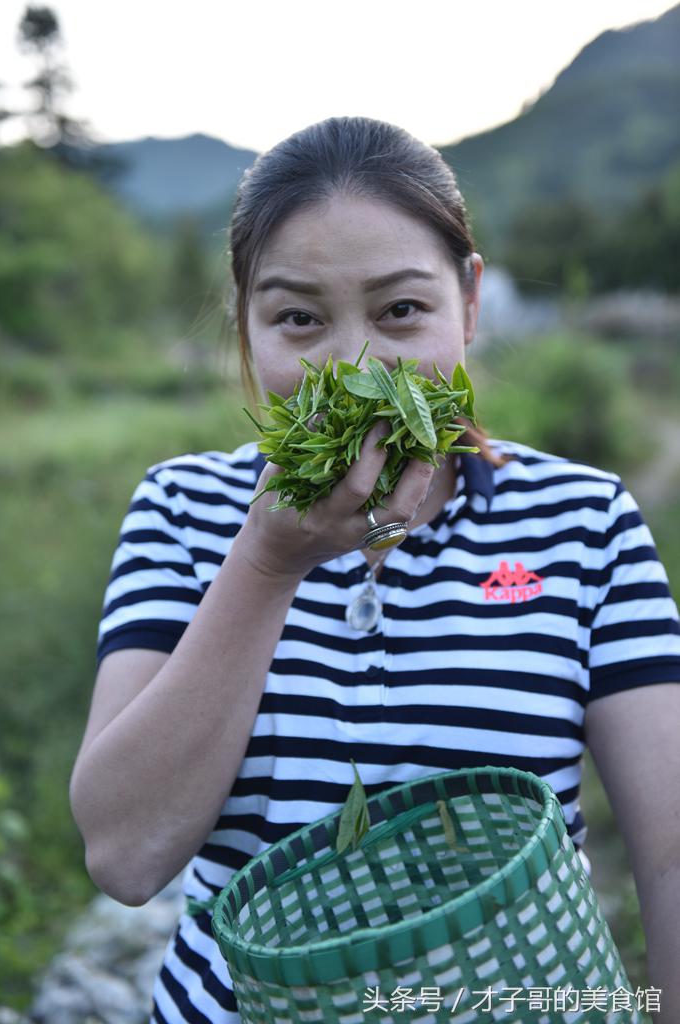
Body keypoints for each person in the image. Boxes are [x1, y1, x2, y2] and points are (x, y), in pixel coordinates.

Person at [69, 116, 680, 1023]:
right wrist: (265, 565)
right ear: (245, 321)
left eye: (399, 311)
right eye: (298, 319)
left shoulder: (582, 522)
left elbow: (667, 858)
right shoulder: (181, 512)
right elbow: (125, 855)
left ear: (467, 303)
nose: (353, 365)